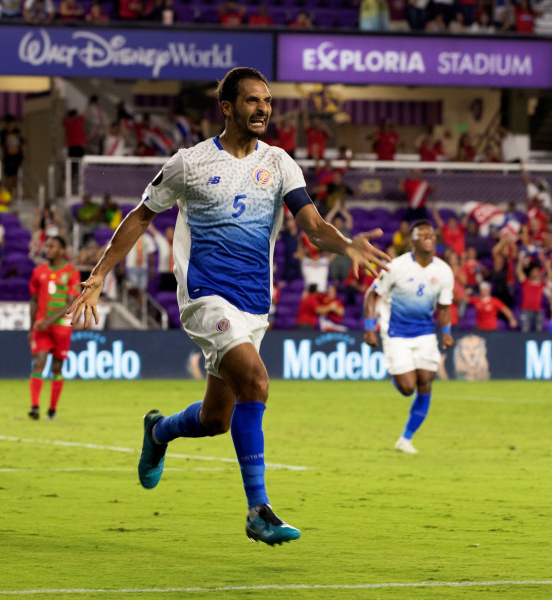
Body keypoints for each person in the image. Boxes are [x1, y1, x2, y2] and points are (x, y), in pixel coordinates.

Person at [68, 67, 389, 545]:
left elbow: (314, 226)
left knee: (217, 418)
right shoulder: (189, 163)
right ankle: (258, 511)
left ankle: (159, 432)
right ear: (228, 107)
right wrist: (98, 275)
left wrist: (346, 246)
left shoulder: (280, 163)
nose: (263, 109)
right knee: (257, 381)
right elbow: (140, 217)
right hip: (204, 295)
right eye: (253, 101)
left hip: (254, 304)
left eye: (268, 101)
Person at [364, 220, 454, 455]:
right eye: (422, 234)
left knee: (425, 381)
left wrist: (446, 333)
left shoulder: (444, 271)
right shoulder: (396, 267)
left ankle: (406, 439)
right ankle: (396, 368)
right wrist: (369, 328)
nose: (428, 237)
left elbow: (444, 307)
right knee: (407, 388)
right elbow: (371, 296)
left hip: (425, 334)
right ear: (412, 240)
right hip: (396, 333)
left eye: (431, 234)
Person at [28, 236, 80, 420]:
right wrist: (31, 327)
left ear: (61, 250)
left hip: (61, 327)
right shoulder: (38, 272)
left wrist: (50, 320)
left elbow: (71, 303)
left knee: (57, 368)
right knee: (38, 363)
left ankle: (52, 410)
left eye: (52, 246)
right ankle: (34, 406)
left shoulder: (71, 272)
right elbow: (33, 301)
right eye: (47, 245)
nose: (47, 248)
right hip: (41, 326)